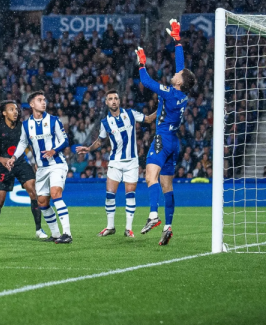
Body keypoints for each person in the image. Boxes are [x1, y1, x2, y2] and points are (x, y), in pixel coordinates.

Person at [136, 19, 196, 246]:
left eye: (178, 75)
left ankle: (153, 215)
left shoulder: (170, 93)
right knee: (167, 185)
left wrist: (142, 63)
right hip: (174, 142)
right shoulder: (182, 95)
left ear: (180, 82)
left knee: (150, 177)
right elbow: (181, 68)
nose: (175, 74)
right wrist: (177, 41)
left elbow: (145, 81)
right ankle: (169, 226)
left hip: (161, 138)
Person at [76, 90, 155, 238]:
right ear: (106, 102)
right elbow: (100, 140)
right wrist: (89, 148)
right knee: (109, 195)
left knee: (130, 195)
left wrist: (162, 107)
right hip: (115, 162)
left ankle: (128, 228)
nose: (113, 101)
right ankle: (110, 227)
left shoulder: (130, 114)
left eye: (116, 98)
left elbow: (149, 119)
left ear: (119, 101)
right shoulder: (105, 122)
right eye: (110, 99)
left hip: (132, 162)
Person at [7, 91, 72, 244]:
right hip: (41, 169)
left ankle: (67, 234)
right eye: (39, 100)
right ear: (31, 104)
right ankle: (56, 235)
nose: (43, 102)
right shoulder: (26, 125)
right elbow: (23, 143)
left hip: (57, 164)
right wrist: (14, 157)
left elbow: (65, 140)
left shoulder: (54, 120)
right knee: (42, 201)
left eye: (44, 100)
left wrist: (54, 150)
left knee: (56, 193)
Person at [0, 101, 48, 240]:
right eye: (11, 109)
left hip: (20, 162)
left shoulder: (23, 126)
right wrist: (2, 160)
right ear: (4, 113)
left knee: (34, 192)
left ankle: (39, 229)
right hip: (3, 165)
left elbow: (32, 144)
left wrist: (36, 162)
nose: (15, 112)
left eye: (16, 109)